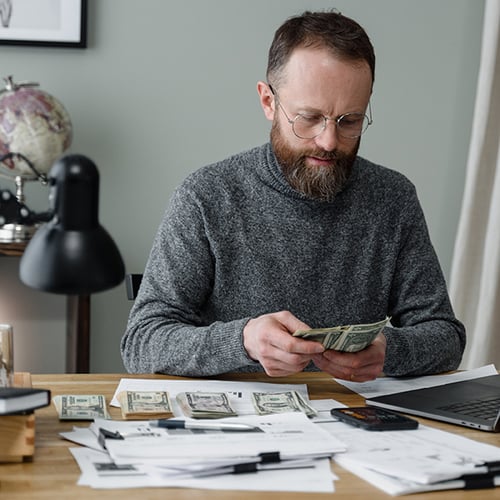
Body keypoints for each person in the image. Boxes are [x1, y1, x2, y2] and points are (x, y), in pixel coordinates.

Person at [121, 10, 465, 381]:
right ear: (268, 102)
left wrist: (389, 352)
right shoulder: (206, 196)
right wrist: (243, 341)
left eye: (349, 121)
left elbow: (446, 337)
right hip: (234, 427)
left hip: (357, 424)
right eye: (309, 117)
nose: (329, 141)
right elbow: (142, 342)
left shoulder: (392, 199)